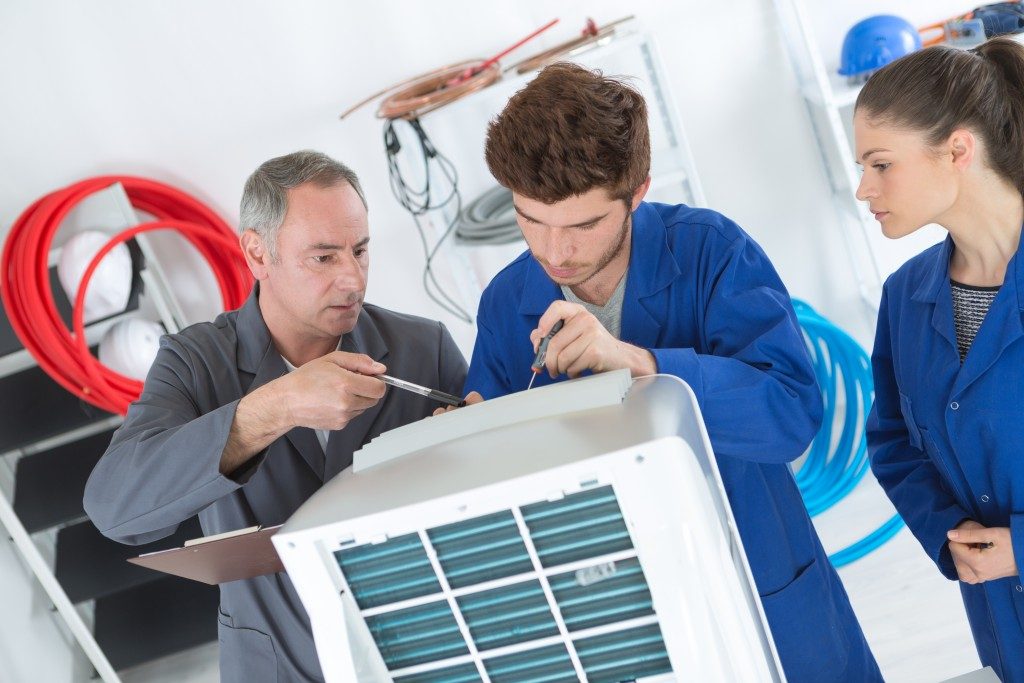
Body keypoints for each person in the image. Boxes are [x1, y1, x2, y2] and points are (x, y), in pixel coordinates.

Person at [461, 62, 882, 681]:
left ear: (637, 193)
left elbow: (789, 416)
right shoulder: (505, 301)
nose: (554, 252)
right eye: (531, 221)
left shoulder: (713, 251)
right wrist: (465, 441)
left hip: (753, 573)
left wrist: (641, 364)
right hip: (608, 602)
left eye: (582, 225)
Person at [83, 150, 467, 682]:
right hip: (282, 666)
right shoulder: (194, 363)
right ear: (258, 253)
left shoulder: (424, 347)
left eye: (360, 250)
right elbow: (115, 509)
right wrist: (275, 406)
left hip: (426, 654)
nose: (353, 279)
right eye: (324, 257)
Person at [859, 38, 1024, 682]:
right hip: (1000, 622)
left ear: (957, 150)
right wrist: (952, 535)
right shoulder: (906, 296)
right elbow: (894, 437)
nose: (862, 187)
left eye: (880, 164)